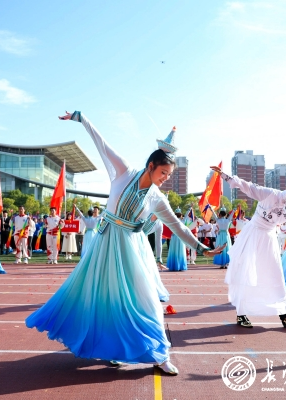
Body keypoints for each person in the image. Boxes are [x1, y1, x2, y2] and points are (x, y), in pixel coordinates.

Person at [26, 112, 222, 376]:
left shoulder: (157, 198)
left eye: (169, 175)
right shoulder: (124, 171)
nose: (166, 178)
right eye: (163, 172)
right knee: (105, 298)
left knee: (147, 300)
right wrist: (81, 119)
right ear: (151, 166)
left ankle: (160, 355)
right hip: (106, 244)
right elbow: (102, 144)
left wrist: (202, 247)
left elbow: (178, 226)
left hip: (132, 249)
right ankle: (113, 348)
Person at [211, 166, 286, 329]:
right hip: (253, 235)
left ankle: (285, 315)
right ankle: (241, 315)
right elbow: (247, 186)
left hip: (270, 240)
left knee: (275, 274)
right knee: (247, 273)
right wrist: (225, 175)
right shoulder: (269, 194)